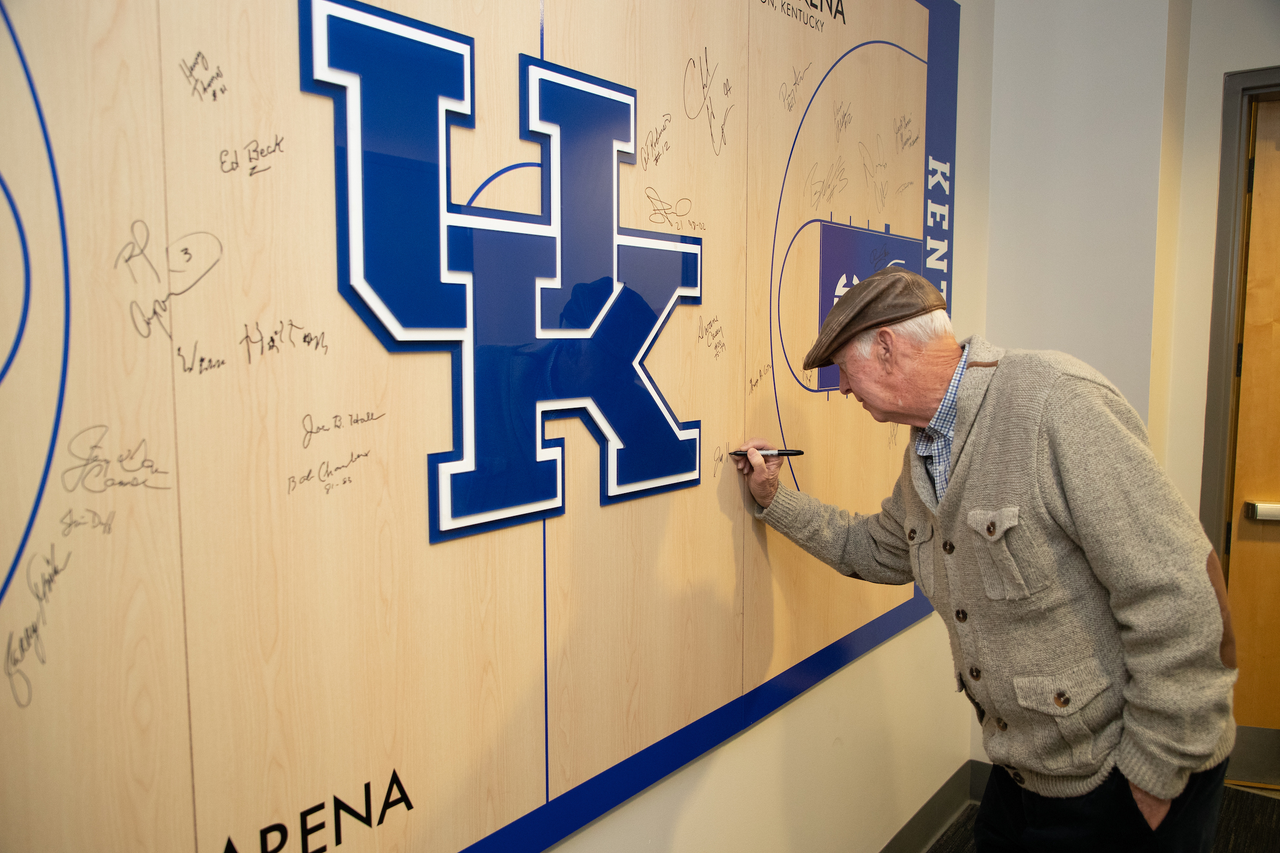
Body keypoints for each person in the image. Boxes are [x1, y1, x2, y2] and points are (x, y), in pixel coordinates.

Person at [734, 267, 1237, 852]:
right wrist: (775, 499)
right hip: (1029, 769)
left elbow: (1183, 594)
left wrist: (1156, 772)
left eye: (845, 369)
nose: (844, 389)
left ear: (890, 350)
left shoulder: (1057, 404)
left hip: (1125, 772)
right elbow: (874, 549)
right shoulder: (928, 452)